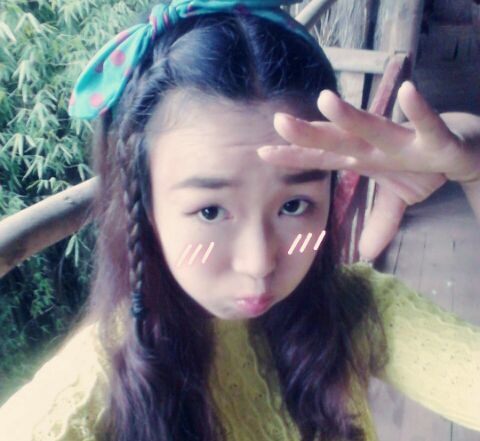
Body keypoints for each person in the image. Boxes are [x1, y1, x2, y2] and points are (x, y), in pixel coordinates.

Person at [1, 1, 479, 440]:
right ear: (143, 205)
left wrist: (474, 169)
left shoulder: (355, 311)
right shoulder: (84, 399)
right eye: (210, 211)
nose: (259, 263)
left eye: (294, 205)